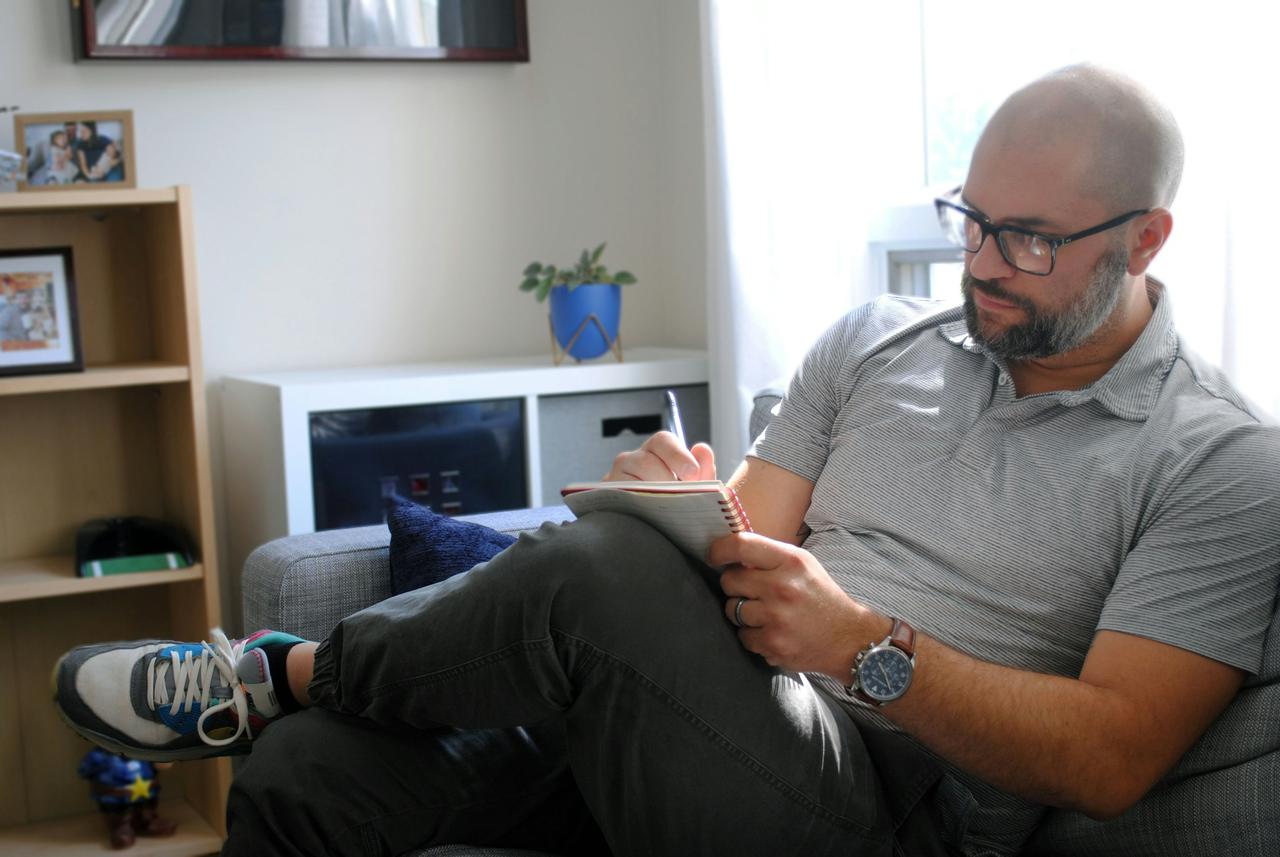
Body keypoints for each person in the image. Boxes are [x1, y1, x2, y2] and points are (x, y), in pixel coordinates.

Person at [53, 64, 1280, 857]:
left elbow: (1112, 757)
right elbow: (738, 538)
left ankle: (282, 667)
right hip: (710, 714)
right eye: (971, 220)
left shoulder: (1218, 462)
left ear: (1144, 238)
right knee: (316, 774)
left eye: (1028, 239)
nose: (980, 263)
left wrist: (864, 645)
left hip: (888, 807)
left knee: (603, 582)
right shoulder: (875, 341)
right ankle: (289, 702)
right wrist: (677, 506)